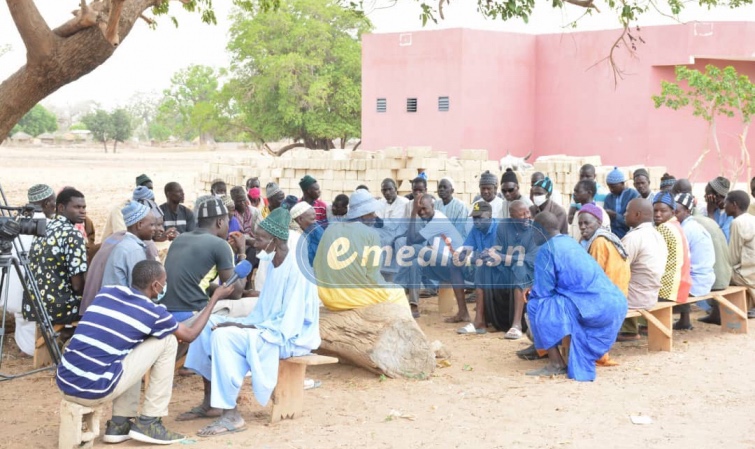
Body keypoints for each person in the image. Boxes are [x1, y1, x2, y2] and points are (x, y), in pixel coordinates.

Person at [57, 260, 234, 445]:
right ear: (156, 286)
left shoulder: (107, 292)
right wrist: (214, 299)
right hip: (94, 389)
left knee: (133, 342)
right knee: (168, 340)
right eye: (164, 283)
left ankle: (120, 423)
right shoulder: (152, 312)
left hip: (65, 382)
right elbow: (189, 335)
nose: (165, 286)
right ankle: (150, 421)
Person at [182, 208, 321, 437]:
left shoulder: (297, 270)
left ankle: (231, 415)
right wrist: (244, 324)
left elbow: (289, 325)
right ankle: (212, 402)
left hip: (290, 337)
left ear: (275, 240)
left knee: (223, 335)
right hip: (265, 325)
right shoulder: (273, 259)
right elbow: (263, 313)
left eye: (260, 238)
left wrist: (242, 327)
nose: (254, 243)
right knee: (206, 323)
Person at [526, 212, 627, 380]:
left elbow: (544, 292)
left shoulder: (546, 249)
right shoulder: (571, 242)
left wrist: (532, 290)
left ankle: (556, 362)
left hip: (594, 308)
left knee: (536, 305)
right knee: (554, 302)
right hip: (615, 303)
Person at [315, 189, 407, 310]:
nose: (375, 216)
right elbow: (373, 277)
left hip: (326, 297)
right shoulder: (371, 234)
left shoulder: (330, 229)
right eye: (372, 212)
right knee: (399, 293)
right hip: (353, 298)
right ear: (363, 214)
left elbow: (317, 264)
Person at [161, 197, 248, 323]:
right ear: (220, 222)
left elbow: (193, 282)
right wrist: (242, 252)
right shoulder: (221, 245)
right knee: (251, 306)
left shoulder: (179, 239)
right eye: (227, 222)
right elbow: (236, 293)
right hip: (191, 314)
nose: (228, 227)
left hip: (165, 313)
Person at [394, 194, 465, 320]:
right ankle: (414, 305)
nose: (421, 212)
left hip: (454, 266)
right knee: (416, 263)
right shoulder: (431, 219)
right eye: (419, 210)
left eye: (424, 208)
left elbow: (411, 241)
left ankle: (397, 287)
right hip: (441, 265)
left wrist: (413, 214)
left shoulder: (437, 220)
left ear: (432, 206)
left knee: (415, 249)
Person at [24, 187, 88, 325]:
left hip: (33, 306)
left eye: (84, 207)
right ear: (61, 207)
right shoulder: (73, 234)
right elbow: (77, 286)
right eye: (77, 207)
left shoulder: (43, 227)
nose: (82, 211)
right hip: (58, 309)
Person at [80, 201, 155, 314]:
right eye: (152, 225)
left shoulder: (118, 240)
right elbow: (139, 292)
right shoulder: (133, 249)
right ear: (139, 225)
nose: (154, 228)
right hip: (117, 310)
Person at [7, 184, 56, 355]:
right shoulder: (51, 226)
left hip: (8, 296)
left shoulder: (11, 225)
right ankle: (34, 350)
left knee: (23, 318)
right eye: (54, 202)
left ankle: (26, 348)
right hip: (34, 298)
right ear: (47, 203)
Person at [618, 198, 667, 341]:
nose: (624, 214)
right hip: (651, 295)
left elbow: (618, 268)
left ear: (637, 215)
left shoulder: (633, 237)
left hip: (634, 299)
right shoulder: (657, 235)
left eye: (627, 211)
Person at [672, 193, 716, 329]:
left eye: (677, 212)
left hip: (697, 282)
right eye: (672, 211)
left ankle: (651, 326)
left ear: (687, 211)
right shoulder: (692, 226)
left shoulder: (685, 230)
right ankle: (684, 321)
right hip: (706, 278)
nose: (674, 215)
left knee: (658, 289)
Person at [455, 200, 498, 335]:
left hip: (502, 269)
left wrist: (471, 259)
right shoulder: (476, 229)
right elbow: (466, 250)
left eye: (480, 218)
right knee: (454, 265)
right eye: (474, 218)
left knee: (481, 268)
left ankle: (479, 321)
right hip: (484, 265)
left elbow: (492, 258)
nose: (477, 221)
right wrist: (460, 254)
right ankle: (463, 312)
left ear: (490, 216)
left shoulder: (499, 228)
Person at [577, 204, 630, 296]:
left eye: (587, 223)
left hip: (609, 297)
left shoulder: (599, 242)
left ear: (599, 222)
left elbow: (593, 279)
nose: (582, 227)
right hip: (618, 295)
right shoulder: (605, 237)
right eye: (580, 224)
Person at [653, 192, 692, 303]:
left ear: (673, 212)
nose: (658, 214)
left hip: (668, 290)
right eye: (655, 210)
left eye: (663, 211)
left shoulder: (664, 228)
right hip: (682, 287)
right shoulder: (677, 226)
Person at [724, 190, 755, 317]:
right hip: (752, 269)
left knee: (719, 277)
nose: (724, 206)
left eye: (726, 203)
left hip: (747, 273)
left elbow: (733, 257)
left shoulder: (737, 223)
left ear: (734, 205)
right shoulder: (752, 219)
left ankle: (718, 314)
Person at [376, 178, 410, 281]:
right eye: (384, 190)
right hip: (385, 232)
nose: (387, 193)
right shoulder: (381, 202)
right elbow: (379, 223)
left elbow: (393, 224)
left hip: (401, 232)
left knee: (395, 242)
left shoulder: (404, 202)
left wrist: (375, 218)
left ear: (395, 189)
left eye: (390, 189)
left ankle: (399, 279)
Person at [603, 167, 640, 239]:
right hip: (612, 233)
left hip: (629, 233)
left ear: (622, 183)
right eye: (609, 187)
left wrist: (615, 215)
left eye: (613, 187)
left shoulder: (633, 195)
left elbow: (633, 220)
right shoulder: (608, 197)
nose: (611, 190)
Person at [290, 202, 323, 267]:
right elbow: (311, 258)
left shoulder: (313, 227)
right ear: (300, 219)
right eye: (312, 219)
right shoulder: (293, 237)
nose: (315, 222)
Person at [705, 176, 733, 241]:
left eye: (707, 195)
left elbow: (723, 240)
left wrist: (710, 213)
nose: (705, 197)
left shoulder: (731, 214)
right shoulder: (713, 208)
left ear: (717, 196)